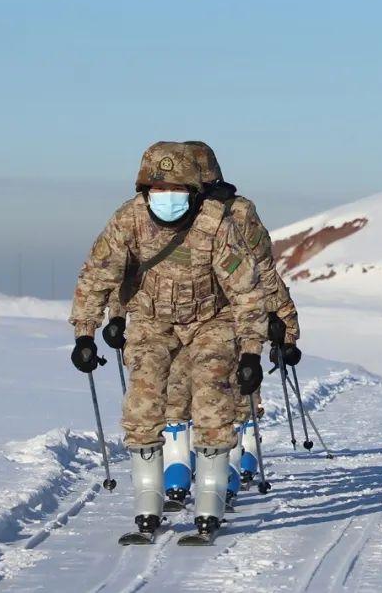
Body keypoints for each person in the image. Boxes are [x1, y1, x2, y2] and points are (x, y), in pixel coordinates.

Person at [69, 141, 270, 543]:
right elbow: (97, 275)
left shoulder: (215, 224)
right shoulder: (128, 220)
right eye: (158, 192)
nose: (167, 200)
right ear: (144, 191)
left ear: (194, 193)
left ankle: (210, 499)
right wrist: (85, 334)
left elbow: (246, 289)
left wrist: (251, 351)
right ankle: (148, 501)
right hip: (151, 320)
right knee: (142, 403)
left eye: (177, 192)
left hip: (211, 320)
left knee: (212, 398)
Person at [102, 141, 297, 508]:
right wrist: (116, 314)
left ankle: (233, 462)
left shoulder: (237, 213)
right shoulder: (152, 217)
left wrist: (282, 320)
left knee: (229, 391)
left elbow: (260, 270)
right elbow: (133, 273)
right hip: (169, 319)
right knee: (174, 391)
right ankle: (180, 466)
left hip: (227, 315)